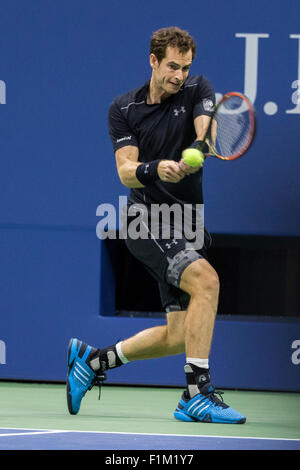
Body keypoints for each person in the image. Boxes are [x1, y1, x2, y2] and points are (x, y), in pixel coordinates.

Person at [66, 26, 246, 424]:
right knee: (208, 281)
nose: (178, 75)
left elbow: (206, 126)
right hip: (145, 220)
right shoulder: (124, 110)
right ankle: (196, 394)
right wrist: (156, 167)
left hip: (186, 222)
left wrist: (200, 145)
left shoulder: (198, 88)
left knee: (180, 334)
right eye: (171, 66)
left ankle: (93, 362)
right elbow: (125, 171)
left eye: (184, 67)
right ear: (153, 61)